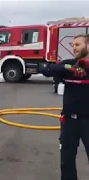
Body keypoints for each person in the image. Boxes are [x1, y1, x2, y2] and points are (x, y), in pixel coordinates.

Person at [40, 34, 89, 180]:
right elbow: (48, 69)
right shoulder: (69, 65)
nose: (74, 48)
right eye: (73, 45)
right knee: (66, 161)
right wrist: (71, 68)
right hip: (69, 122)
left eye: (78, 45)